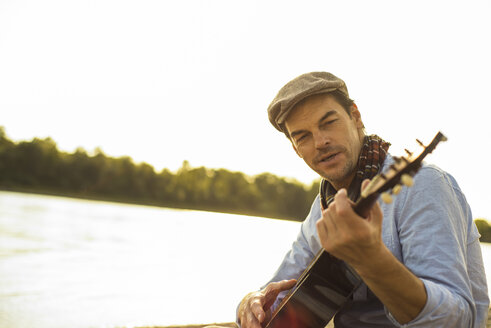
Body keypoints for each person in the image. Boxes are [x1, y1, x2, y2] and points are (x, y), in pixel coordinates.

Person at [234, 72, 489, 328]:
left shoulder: (424, 185)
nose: (321, 141)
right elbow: (274, 295)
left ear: (355, 116)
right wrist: (249, 302)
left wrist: (371, 260)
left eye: (329, 122)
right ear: (295, 149)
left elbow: (455, 321)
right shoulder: (323, 207)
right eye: (303, 136)